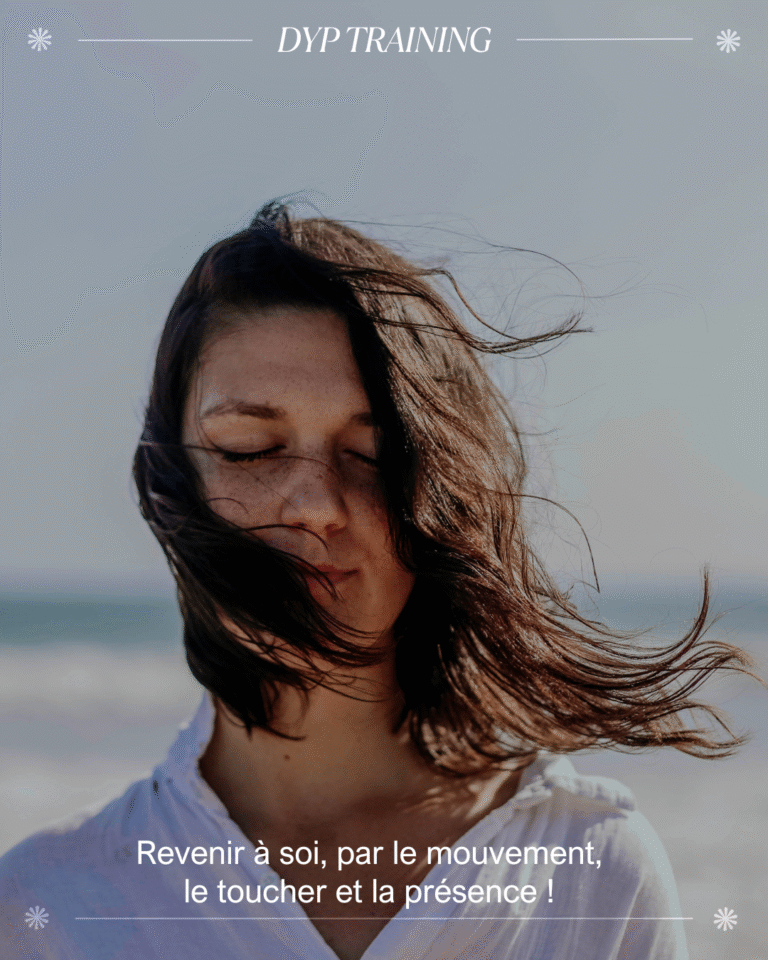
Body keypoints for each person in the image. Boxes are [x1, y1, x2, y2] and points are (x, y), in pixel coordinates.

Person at [0, 203, 756, 960]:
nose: (317, 505)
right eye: (250, 448)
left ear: (442, 493)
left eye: (373, 454)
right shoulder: (49, 906)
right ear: (172, 483)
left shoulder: (589, 874)